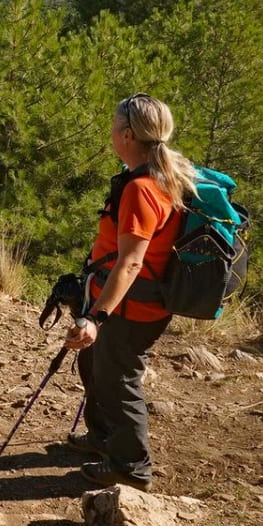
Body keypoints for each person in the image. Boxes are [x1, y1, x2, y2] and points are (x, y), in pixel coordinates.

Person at [64, 93, 196, 493]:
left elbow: (131, 262)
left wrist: (95, 317)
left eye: (112, 126)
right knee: (96, 369)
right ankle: (104, 440)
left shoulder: (141, 188)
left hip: (131, 305)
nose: (110, 133)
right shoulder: (165, 173)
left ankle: (131, 468)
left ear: (125, 134)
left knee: (117, 380)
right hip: (131, 298)